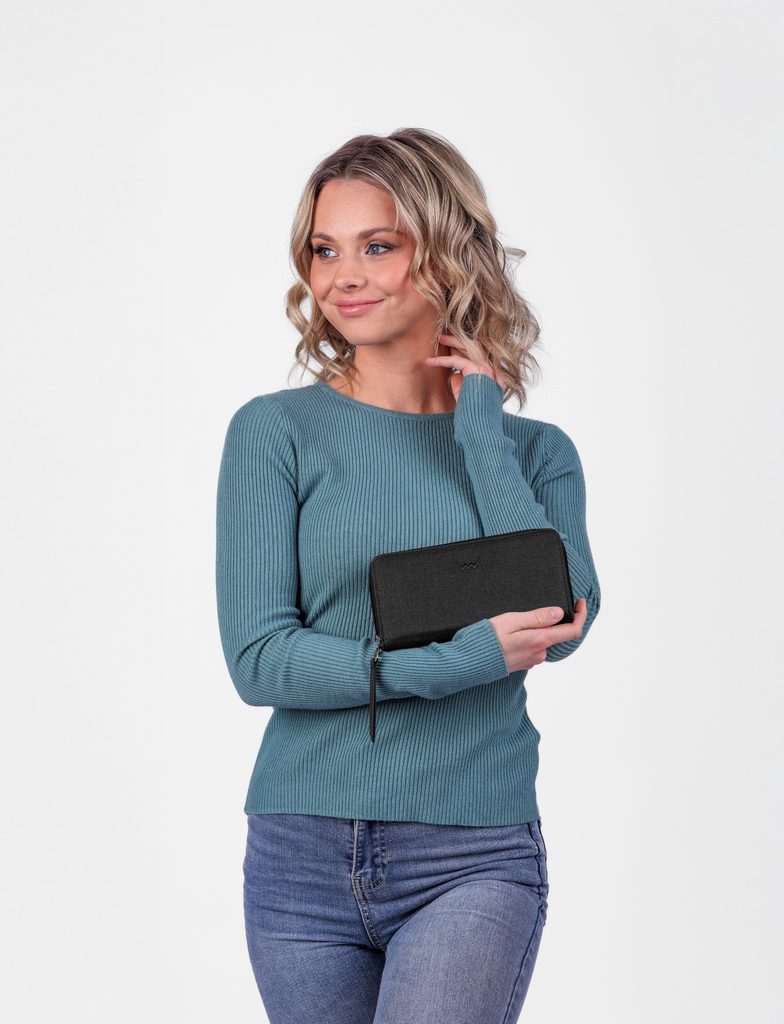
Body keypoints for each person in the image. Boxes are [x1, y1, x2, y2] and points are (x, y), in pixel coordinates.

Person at [215, 127, 601, 1024]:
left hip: (470, 855)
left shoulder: (537, 453)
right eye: (325, 250)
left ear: (447, 255)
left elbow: (560, 622)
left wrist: (481, 438)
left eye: (378, 246)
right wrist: (455, 661)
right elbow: (260, 660)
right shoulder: (274, 433)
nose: (343, 277)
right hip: (300, 854)